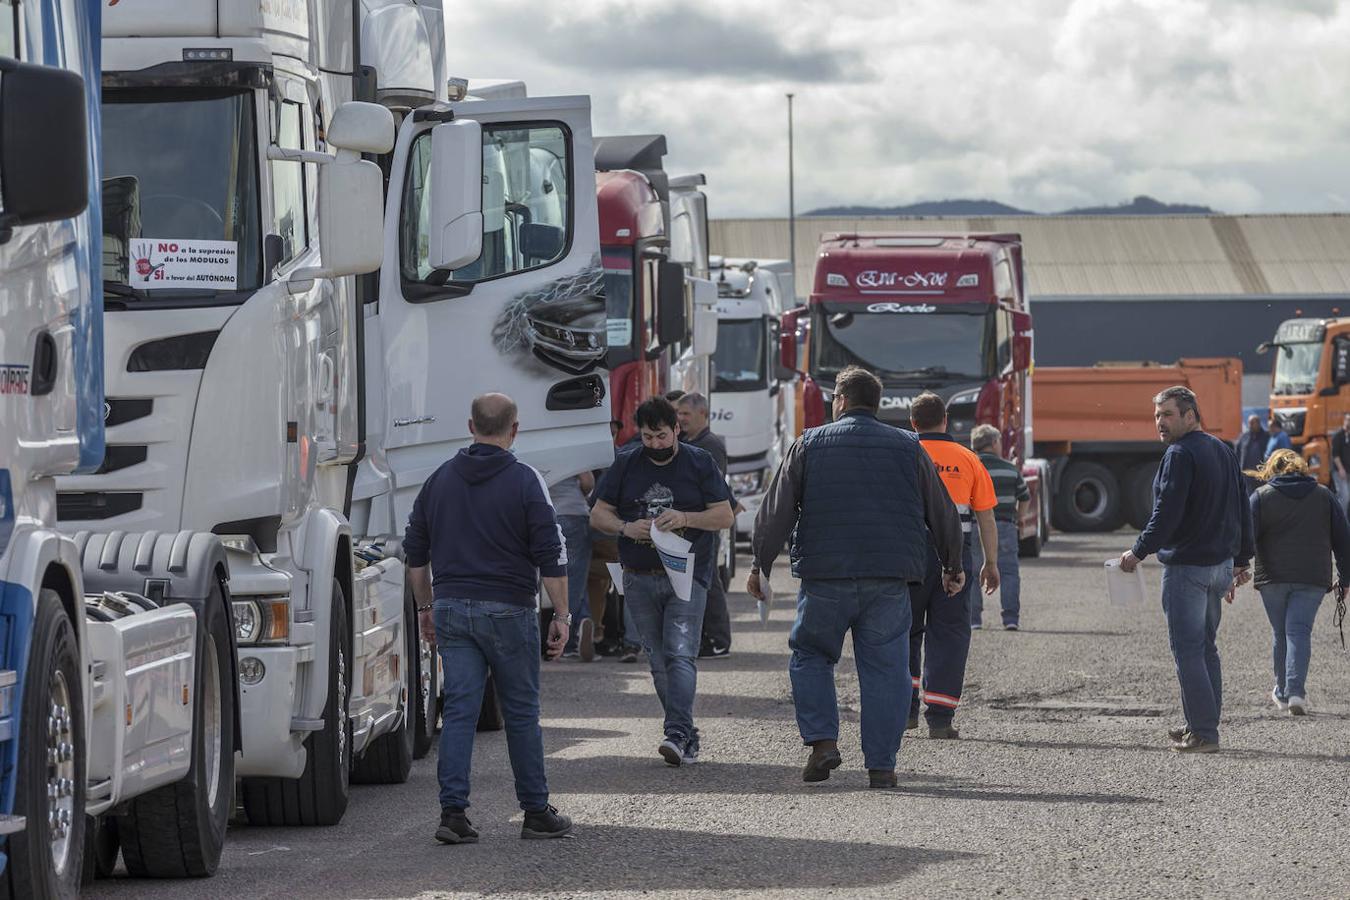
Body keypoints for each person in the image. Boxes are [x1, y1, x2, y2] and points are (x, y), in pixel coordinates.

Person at [747, 366, 963, 788]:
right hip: (889, 576)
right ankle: (882, 766)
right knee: (887, 669)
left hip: (825, 576)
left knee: (810, 654)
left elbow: (775, 511)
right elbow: (941, 510)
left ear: (841, 401)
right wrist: (952, 565)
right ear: (876, 403)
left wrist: (760, 564)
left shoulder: (808, 443)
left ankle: (823, 742)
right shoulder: (909, 446)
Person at [405, 393, 573, 844]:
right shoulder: (525, 480)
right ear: (514, 430)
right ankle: (536, 812)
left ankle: (453, 815)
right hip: (508, 608)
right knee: (520, 712)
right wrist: (562, 613)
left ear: (470, 425)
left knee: (458, 711)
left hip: (452, 608)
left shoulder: (438, 480)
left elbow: (415, 555)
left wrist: (425, 608)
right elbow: (551, 553)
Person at [591, 396, 735, 766]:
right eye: (647, 437)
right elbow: (597, 515)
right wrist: (626, 526)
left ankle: (676, 734)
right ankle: (685, 732)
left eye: (660, 436)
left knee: (680, 654)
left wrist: (685, 518)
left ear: (676, 430)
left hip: (688, 575)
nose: (654, 444)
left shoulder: (699, 461)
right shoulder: (626, 461)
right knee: (657, 661)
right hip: (638, 577)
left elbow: (724, 516)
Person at [1119, 385, 1253, 754]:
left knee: (1188, 650)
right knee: (1205, 648)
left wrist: (1138, 551)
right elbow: (1242, 507)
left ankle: (1205, 733)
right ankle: (1201, 722)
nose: (1160, 422)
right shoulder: (1224, 450)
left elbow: (1166, 513)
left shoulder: (1179, 454)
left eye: (1168, 415)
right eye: (1157, 416)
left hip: (1188, 570)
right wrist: (1242, 559)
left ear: (1190, 415)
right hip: (1219, 567)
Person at [907, 393, 999, 740]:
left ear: (912, 422)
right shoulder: (968, 458)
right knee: (950, 634)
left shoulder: (904, 454)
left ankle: (905, 710)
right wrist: (990, 563)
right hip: (955, 557)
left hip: (909, 558)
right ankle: (941, 718)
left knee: (903, 631)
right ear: (945, 420)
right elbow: (985, 517)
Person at [1246, 449, 1350, 716]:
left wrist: (1237, 567)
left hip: (1272, 577)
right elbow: (1343, 540)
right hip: (1312, 577)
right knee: (1299, 631)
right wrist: (1345, 577)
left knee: (1281, 633)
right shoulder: (1325, 496)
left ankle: (1283, 691)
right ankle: (1295, 693)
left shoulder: (1260, 497)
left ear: (1272, 470)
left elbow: (1246, 537)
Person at [677, 392, 734, 658]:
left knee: (708, 583)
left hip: (704, 525)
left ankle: (718, 640)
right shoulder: (687, 442)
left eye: (686, 414)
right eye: (679, 413)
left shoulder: (710, 445)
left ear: (703, 414)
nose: (681, 418)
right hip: (688, 526)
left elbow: (712, 488)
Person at [969, 424, 1030, 630]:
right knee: (1009, 572)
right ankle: (1010, 619)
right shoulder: (1010, 469)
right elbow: (1025, 496)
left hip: (974, 526)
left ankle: (974, 620)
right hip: (1004, 526)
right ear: (994, 443)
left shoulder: (970, 466)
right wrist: (1020, 517)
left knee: (972, 571)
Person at [550, 473, 596, 660]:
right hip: (573, 511)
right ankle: (570, 640)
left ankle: (581, 621)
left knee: (562, 576)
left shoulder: (530, 443)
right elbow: (587, 481)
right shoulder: (571, 443)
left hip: (545, 512)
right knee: (575, 577)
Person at [1234, 414, 1268, 494]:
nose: (1250, 425)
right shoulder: (1244, 437)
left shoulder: (1266, 436)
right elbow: (1237, 452)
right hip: (1247, 474)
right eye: (1249, 423)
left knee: (1262, 494)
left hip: (1261, 474)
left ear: (1258, 423)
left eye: (1252, 423)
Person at [1330, 412, 1350, 512]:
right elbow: (1335, 454)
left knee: (1345, 496)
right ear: (1344, 421)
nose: (1349, 422)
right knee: (1344, 495)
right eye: (1348, 420)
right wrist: (1341, 469)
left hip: (1348, 470)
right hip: (1339, 471)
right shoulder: (1337, 435)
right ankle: (1342, 523)